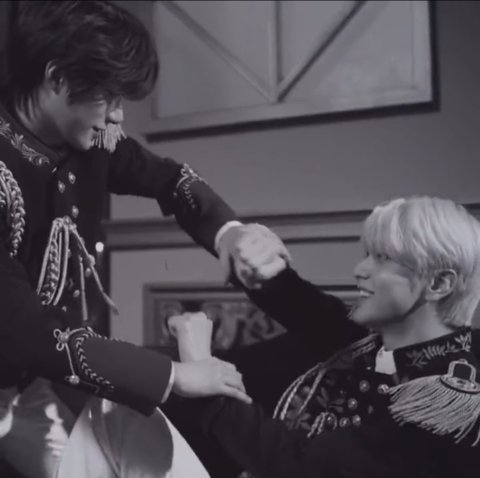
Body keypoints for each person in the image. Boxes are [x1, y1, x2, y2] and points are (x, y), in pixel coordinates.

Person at [0, 2, 289, 477]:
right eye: (108, 97)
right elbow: (23, 330)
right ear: (56, 77)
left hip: (38, 382)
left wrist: (230, 235)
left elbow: (170, 181)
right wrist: (173, 375)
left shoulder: (89, 137)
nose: (118, 117)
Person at [170, 196, 480, 478]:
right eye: (367, 255)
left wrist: (202, 369)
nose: (359, 269)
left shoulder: (449, 407)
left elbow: (297, 467)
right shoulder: (382, 339)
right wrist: (252, 251)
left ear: (439, 283)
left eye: (383, 258)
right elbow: (304, 305)